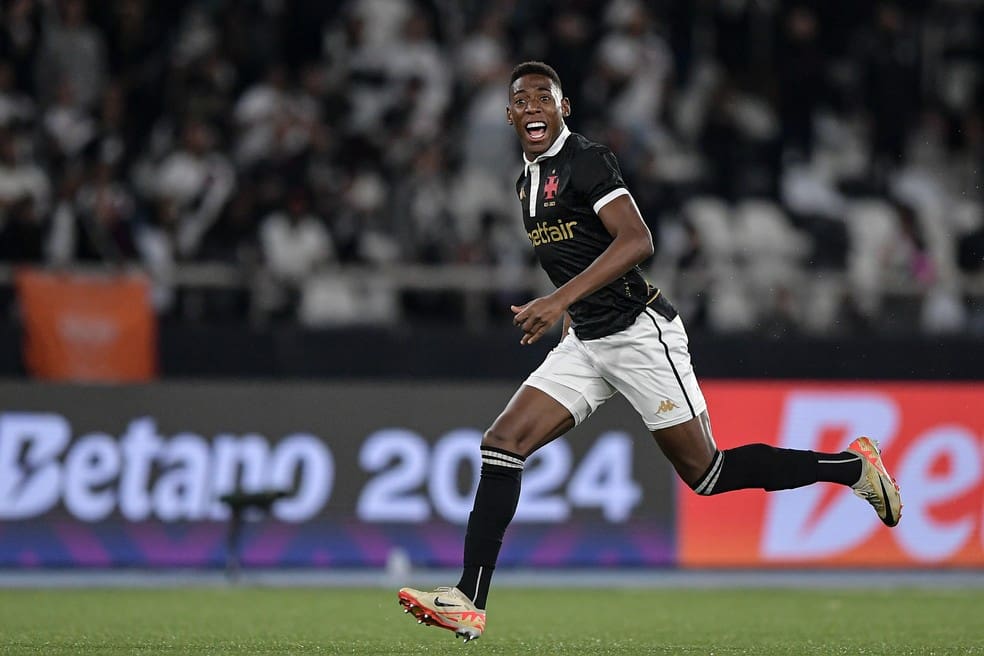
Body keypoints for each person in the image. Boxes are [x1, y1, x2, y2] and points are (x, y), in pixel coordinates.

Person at [397, 61, 902, 642]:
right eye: (521, 99)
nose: (533, 105)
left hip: (640, 334)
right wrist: (572, 317)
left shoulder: (587, 159)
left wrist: (559, 301)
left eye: (545, 96)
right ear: (510, 114)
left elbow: (638, 240)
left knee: (708, 474)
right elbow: (575, 254)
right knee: (502, 443)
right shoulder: (525, 181)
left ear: (564, 109)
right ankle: (468, 598)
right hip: (586, 340)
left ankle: (853, 468)